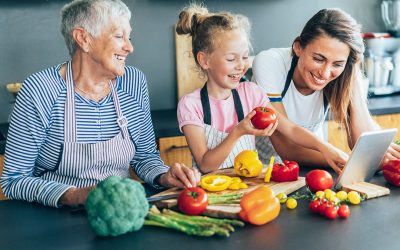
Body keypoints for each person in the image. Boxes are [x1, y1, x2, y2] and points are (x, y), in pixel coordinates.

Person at [0, 0, 199, 208]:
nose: (130, 47)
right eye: (119, 36)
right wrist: (76, 195)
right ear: (83, 39)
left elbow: (145, 157)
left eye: (129, 37)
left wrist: (164, 176)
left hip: (120, 209)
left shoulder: (133, 82)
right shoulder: (41, 90)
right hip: (55, 217)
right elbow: (14, 179)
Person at [175, 4, 348, 174]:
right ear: (205, 61)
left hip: (249, 187)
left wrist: (324, 147)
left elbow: (290, 129)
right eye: (231, 59)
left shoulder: (251, 93)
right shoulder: (190, 105)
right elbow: (206, 165)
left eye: (244, 57)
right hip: (211, 194)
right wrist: (238, 132)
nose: (241, 66)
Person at [252, 8, 400, 169]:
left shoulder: (344, 72)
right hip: (261, 172)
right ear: (298, 47)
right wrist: (351, 161)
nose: (325, 73)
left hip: (313, 172)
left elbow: (362, 140)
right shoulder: (270, 63)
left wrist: (353, 76)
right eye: (318, 59)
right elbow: (288, 148)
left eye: (337, 64)